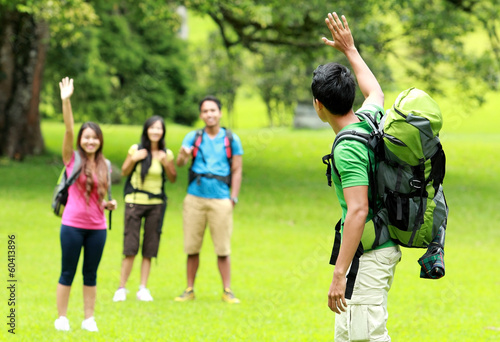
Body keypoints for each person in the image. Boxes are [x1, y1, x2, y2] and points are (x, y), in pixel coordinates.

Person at [311, 13, 401, 341]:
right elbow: (375, 91)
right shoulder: (368, 121)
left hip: (371, 251)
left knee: (366, 336)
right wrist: (350, 50)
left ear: (318, 105)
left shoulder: (347, 148)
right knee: (348, 335)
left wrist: (338, 274)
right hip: (371, 249)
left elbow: (358, 210)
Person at [54, 77, 117, 332]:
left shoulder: (106, 165)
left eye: (95, 138)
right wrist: (66, 101)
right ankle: (62, 318)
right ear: (80, 140)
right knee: (67, 272)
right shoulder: (72, 159)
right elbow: (68, 129)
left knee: (90, 274)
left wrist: (108, 204)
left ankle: (89, 318)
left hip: (97, 227)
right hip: (72, 225)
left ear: (100, 141)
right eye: (86, 137)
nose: (90, 141)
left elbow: (100, 197)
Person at [174, 96, 243, 303]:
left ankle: (227, 290)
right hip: (195, 198)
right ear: (201, 115)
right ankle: (189, 289)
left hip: (221, 199)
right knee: (192, 246)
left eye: (213, 110)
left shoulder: (231, 139)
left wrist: (233, 198)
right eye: (205, 111)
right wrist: (183, 155)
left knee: (223, 248)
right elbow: (179, 163)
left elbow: (237, 169)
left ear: (220, 113)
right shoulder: (192, 137)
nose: (209, 114)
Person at [113, 116, 177, 302]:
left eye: (159, 128)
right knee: (130, 246)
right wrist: (134, 159)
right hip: (134, 201)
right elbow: (124, 172)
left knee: (150, 246)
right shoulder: (136, 149)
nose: (155, 131)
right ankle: (122, 288)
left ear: (163, 132)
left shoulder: (166, 154)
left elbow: (173, 178)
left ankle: (143, 288)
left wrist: (166, 164)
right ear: (146, 130)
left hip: (156, 204)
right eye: (152, 128)